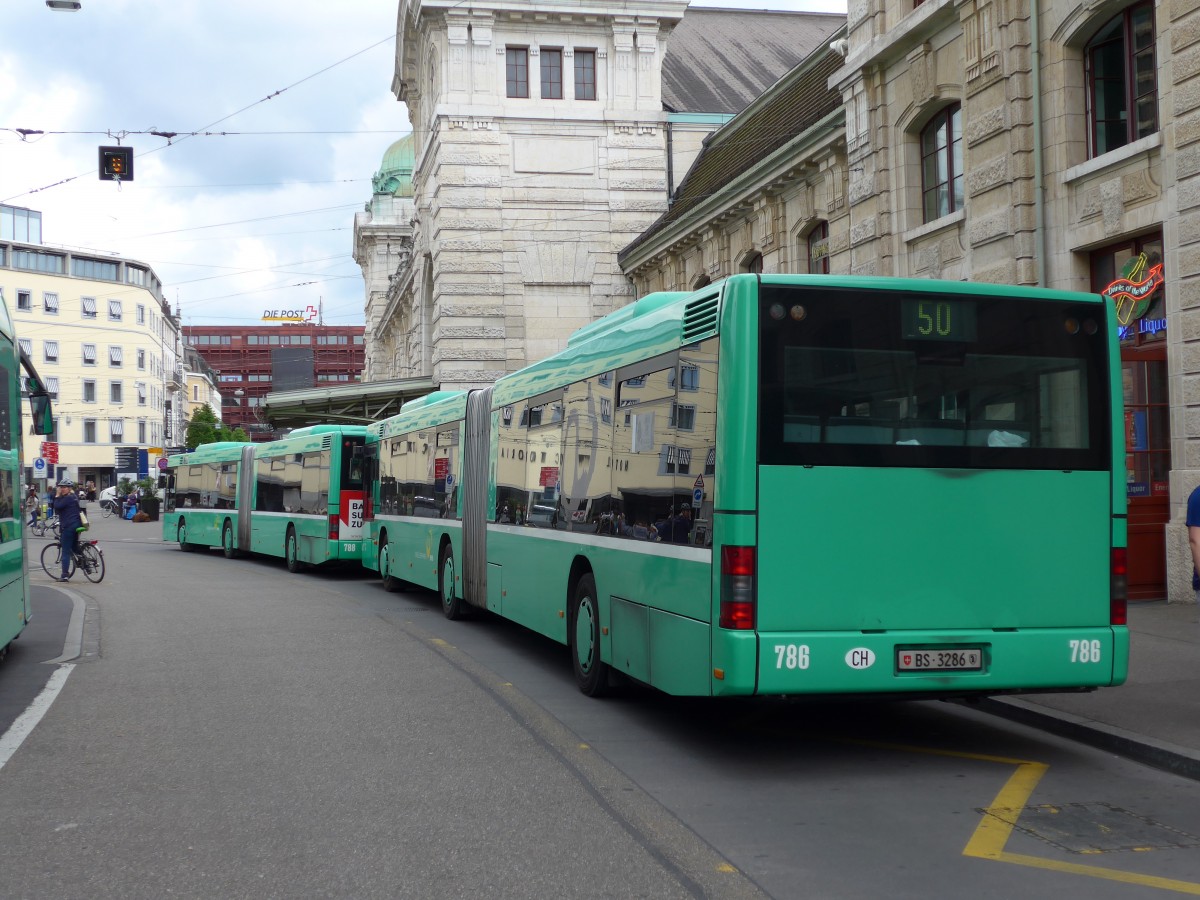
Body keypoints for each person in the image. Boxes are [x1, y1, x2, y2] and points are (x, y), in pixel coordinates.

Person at [51, 480, 82, 582]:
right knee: (74, 547)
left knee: (65, 551)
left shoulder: (67, 498)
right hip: (77, 525)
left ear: (69, 488)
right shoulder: (73, 497)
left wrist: (57, 495)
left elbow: (57, 506)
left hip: (68, 526)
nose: (62, 489)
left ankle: (64, 575)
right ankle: (85, 563)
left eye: (64, 487)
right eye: (61, 487)